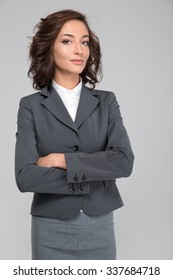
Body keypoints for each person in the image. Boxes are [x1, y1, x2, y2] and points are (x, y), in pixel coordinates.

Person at [15, 9, 134, 260]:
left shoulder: (106, 101)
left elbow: (124, 162)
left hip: (99, 224)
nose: (79, 50)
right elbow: (25, 177)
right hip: (49, 225)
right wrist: (97, 170)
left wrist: (63, 161)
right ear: (49, 47)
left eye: (85, 42)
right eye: (67, 41)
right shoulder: (31, 106)